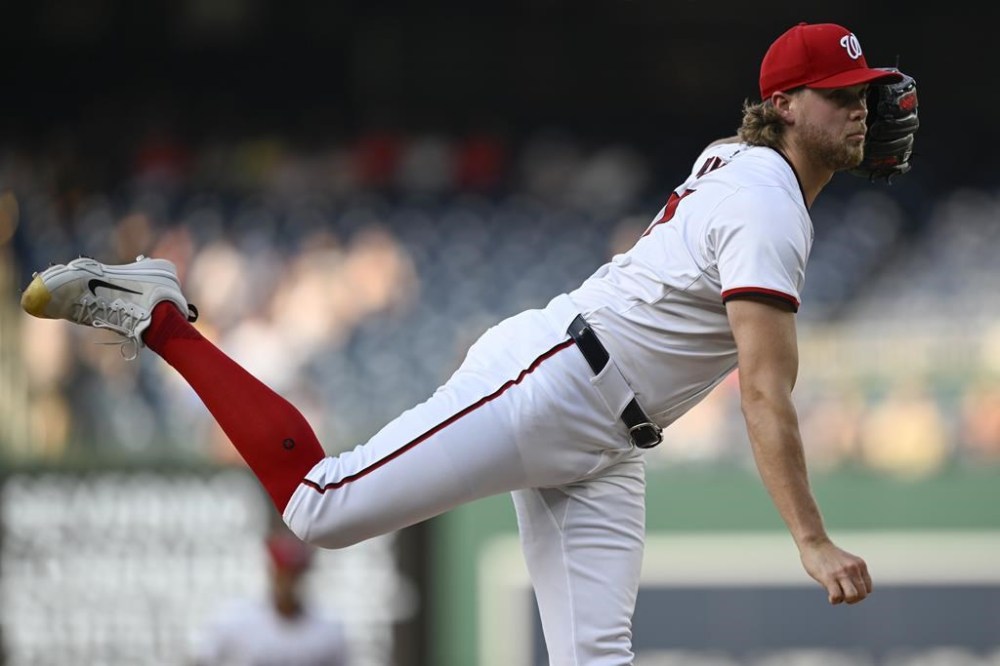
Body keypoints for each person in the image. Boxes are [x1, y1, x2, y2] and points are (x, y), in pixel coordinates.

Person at [20, 22, 916, 666]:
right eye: (840, 96)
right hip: (556, 383)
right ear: (784, 104)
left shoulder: (754, 173)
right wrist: (810, 538)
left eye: (861, 93)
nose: (862, 109)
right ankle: (160, 318)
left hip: (609, 442)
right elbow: (764, 391)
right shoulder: (765, 198)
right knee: (319, 506)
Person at [191, 529, 351, 666]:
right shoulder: (237, 619)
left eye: (294, 574)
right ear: (272, 573)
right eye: (283, 574)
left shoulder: (328, 628)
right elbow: (202, 658)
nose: (288, 582)